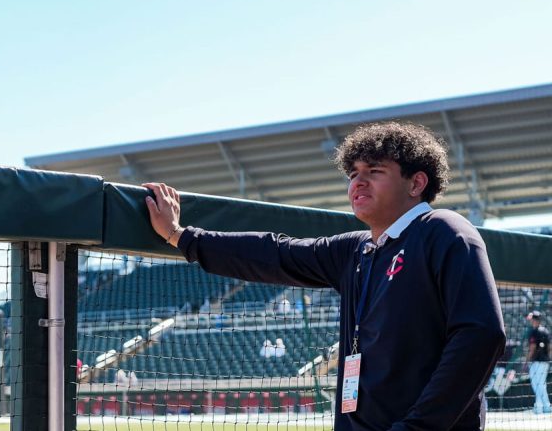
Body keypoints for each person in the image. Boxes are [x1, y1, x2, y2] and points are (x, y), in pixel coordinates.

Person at [144, 121, 506, 430]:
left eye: (374, 171)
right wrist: (180, 235)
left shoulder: (445, 231)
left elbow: (481, 334)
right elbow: (276, 253)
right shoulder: (356, 249)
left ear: (416, 183)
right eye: (353, 174)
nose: (358, 183)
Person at [525, 311, 551, 414]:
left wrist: (526, 361)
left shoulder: (534, 332)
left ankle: (540, 407)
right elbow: (550, 348)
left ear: (534, 319)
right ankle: (544, 406)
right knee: (541, 384)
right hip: (545, 362)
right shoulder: (545, 331)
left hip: (536, 362)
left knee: (537, 385)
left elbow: (532, 348)